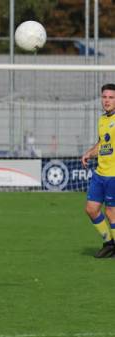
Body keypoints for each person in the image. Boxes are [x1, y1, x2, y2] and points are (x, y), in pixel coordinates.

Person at [81, 83, 115, 258]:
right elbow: (102, 143)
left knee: (111, 212)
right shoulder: (102, 119)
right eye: (104, 97)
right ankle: (109, 243)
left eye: (111, 97)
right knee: (91, 209)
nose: (107, 101)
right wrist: (89, 153)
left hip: (114, 175)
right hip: (100, 173)